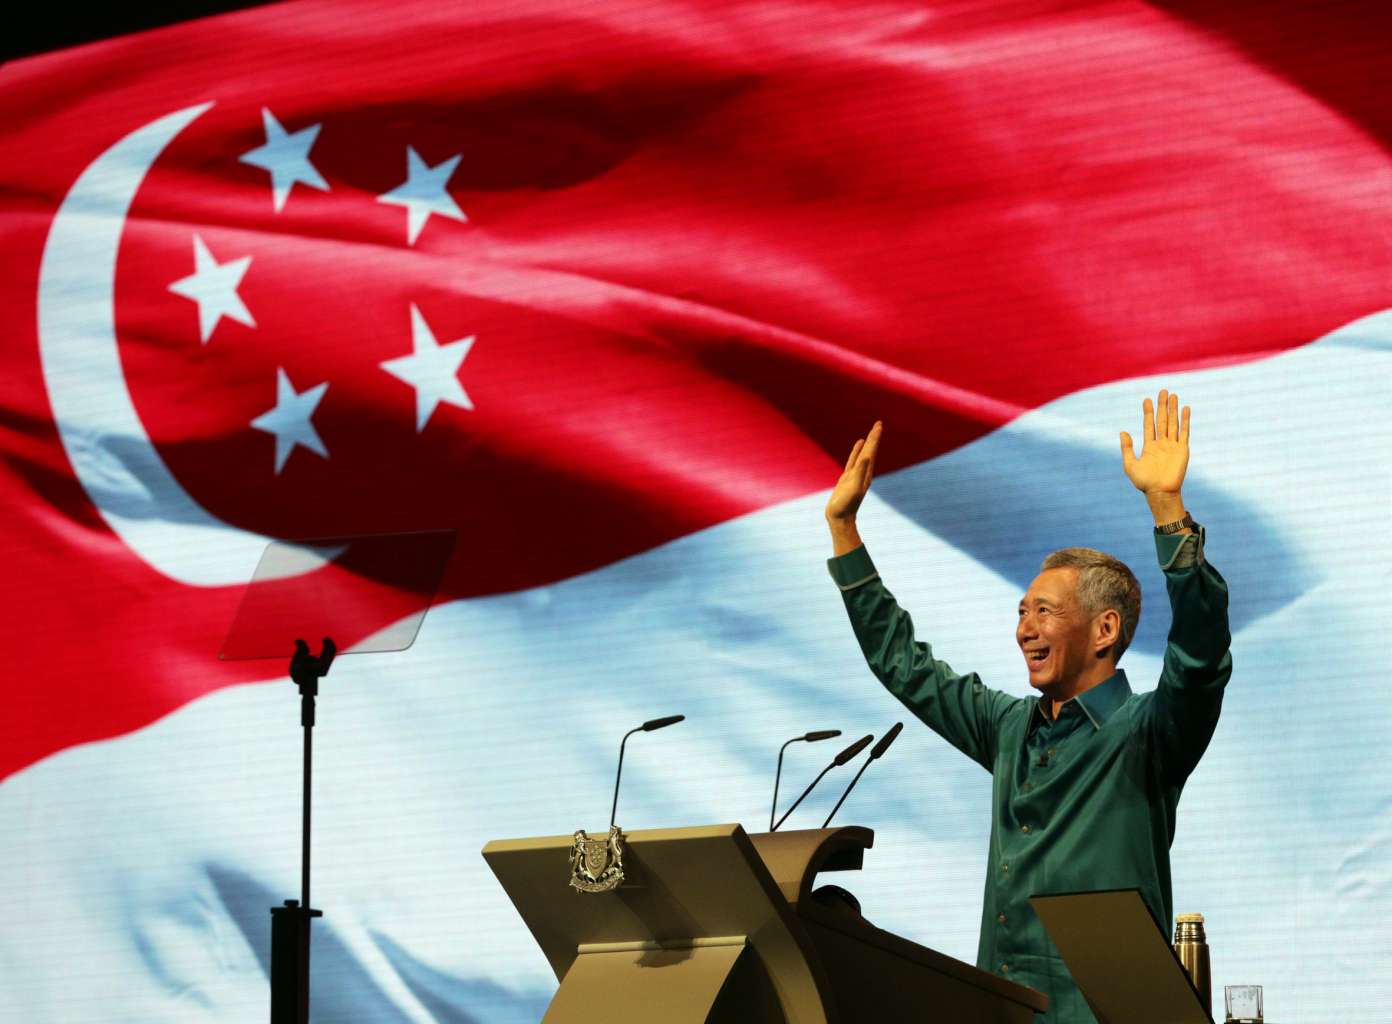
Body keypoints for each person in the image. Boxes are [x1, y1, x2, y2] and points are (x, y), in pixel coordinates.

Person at [824, 389, 1231, 1023]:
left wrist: (1168, 511)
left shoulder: (1147, 732)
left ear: (1104, 630)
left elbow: (1201, 658)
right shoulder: (1008, 727)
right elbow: (904, 664)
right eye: (1021, 612)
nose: (1024, 629)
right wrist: (845, 532)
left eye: (1044, 611)